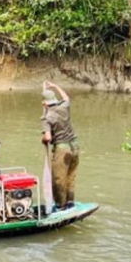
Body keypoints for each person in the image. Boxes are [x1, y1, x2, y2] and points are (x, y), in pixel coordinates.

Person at [41, 81, 79, 211]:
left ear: (44, 103)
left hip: (62, 148)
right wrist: (56, 86)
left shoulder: (47, 118)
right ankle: (70, 202)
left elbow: (48, 137)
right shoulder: (64, 107)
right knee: (71, 176)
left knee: (58, 179)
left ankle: (60, 205)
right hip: (75, 146)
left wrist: (43, 139)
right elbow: (66, 97)